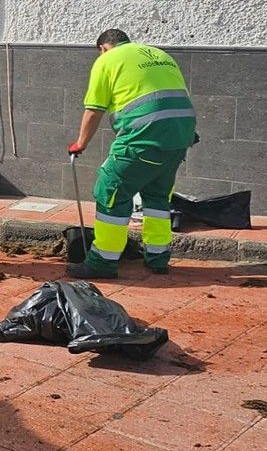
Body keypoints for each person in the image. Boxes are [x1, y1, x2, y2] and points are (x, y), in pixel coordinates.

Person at [67, 29, 196, 278]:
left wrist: (80, 143)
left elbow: (94, 109)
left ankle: (102, 261)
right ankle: (157, 258)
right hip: (180, 137)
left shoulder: (107, 60)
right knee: (157, 196)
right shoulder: (159, 54)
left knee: (110, 189)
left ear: (104, 47)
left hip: (144, 137)